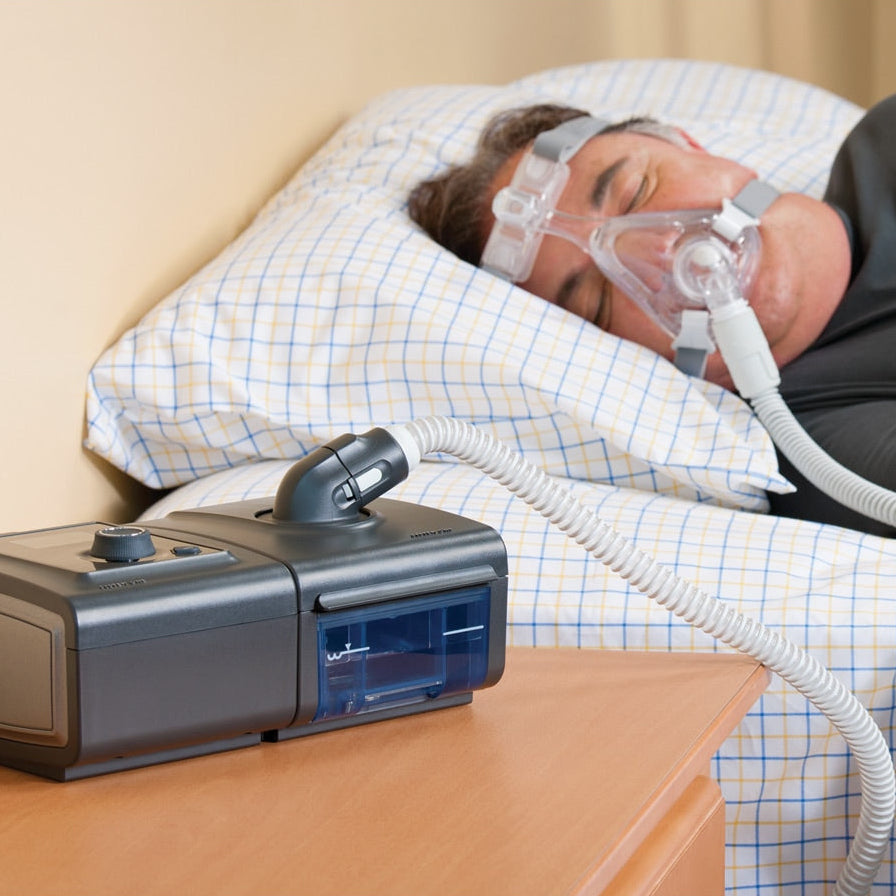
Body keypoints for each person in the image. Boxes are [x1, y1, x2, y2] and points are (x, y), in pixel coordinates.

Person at [408, 98, 896, 537]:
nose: (660, 250)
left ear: (691, 145)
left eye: (635, 190)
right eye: (596, 299)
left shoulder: (883, 143)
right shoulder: (825, 462)